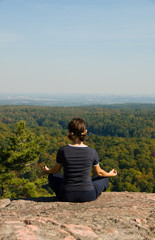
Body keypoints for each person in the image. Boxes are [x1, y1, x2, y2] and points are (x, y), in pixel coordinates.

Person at [42, 118, 117, 202]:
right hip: (88, 195)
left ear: (70, 132)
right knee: (104, 178)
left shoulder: (63, 150)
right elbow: (99, 172)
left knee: (52, 176)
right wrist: (110, 174)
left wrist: (47, 171)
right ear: (85, 132)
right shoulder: (92, 152)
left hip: (66, 195)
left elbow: (55, 170)